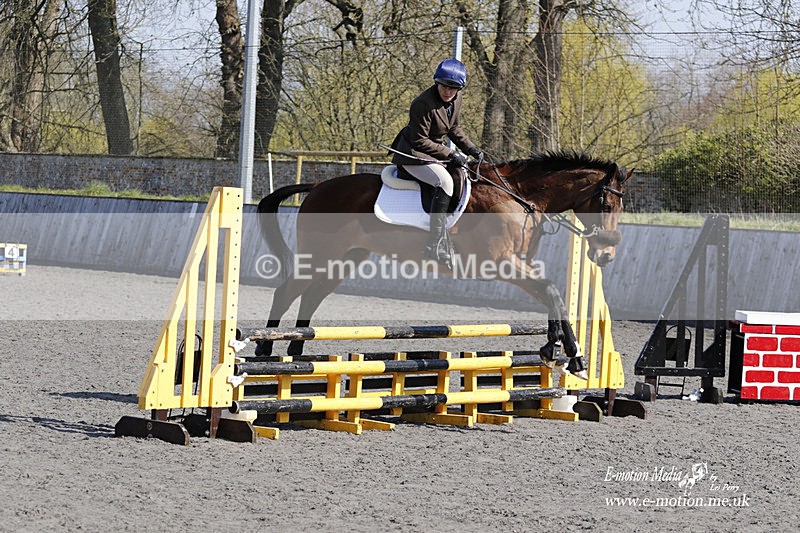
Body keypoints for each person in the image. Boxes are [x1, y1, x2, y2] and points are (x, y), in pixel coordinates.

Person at [390, 58, 483, 266]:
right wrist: (451, 153)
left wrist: (472, 149)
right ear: (437, 82)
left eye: (453, 88)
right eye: (444, 86)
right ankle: (435, 243)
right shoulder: (422, 104)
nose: (448, 92)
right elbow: (419, 140)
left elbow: (454, 129)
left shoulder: (456, 99)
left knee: (464, 174)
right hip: (413, 154)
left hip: (433, 151)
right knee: (445, 182)